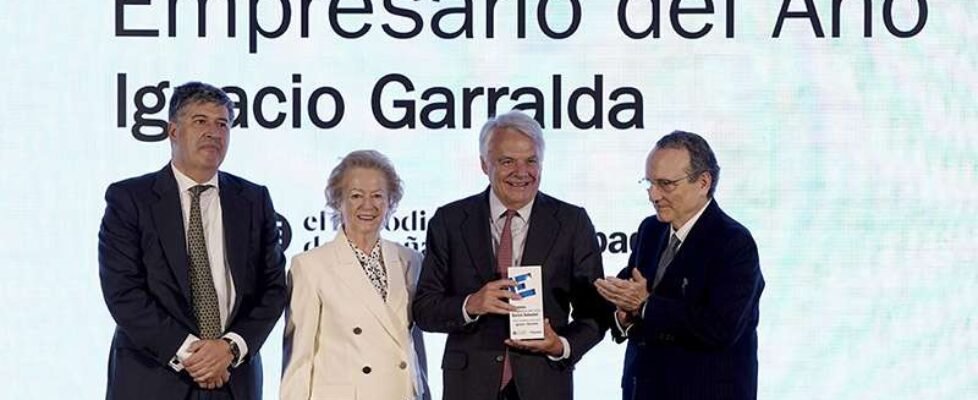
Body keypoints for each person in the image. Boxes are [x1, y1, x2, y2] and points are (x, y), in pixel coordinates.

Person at [98, 82, 288, 400]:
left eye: (222, 124)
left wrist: (229, 348)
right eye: (200, 121)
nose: (214, 132)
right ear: (173, 131)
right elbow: (124, 293)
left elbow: (273, 289)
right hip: (153, 379)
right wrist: (195, 355)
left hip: (233, 378)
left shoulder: (254, 200)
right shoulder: (130, 199)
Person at [412, 111, 607, 400]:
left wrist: (560, 345)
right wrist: (471, 305)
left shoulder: (572, 222)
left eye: (531, 161)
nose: (521, 172)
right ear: (483, 164)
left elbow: (595, 313)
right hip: (469, 386)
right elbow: (425, 309)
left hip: (544, 384)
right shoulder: (450, 221)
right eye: (507, 161)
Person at [595, 130, 764, 399]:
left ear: (703, 182)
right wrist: (623, 314)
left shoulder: (733, 243)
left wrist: (646, 306)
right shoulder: (650, 230)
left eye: (666, 184)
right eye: (649, 183)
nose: (653, 195)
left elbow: (721, 328)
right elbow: (630, 298)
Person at [281, 150, 429, 400]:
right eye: (356, 196)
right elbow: (298, 359)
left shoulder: (411, 260)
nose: (367, 205)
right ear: (338, 201)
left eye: (378, 196)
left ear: (390, 201)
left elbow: (414, 349)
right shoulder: (310, 266)